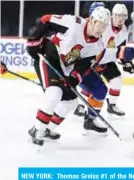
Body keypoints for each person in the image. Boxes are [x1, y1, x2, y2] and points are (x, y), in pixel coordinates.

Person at [26, 7, 112, 146]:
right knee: (54, 93)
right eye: (98, 23)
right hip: (51, 55)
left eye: (104, 26)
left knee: (71, 102)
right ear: (91, 21)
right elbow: (46, 19)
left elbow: (83, 64)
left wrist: (74, 77)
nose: (100, 29)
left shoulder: (98, 45)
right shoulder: (74, 23)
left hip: (66, 67)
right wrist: (34, 40)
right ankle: (38, 130)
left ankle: (48, 129)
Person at [74, 3, 134, 119]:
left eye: (123, 16)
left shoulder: (124, 31)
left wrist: (127, 62)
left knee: (117, 82)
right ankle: (81, 106)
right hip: (94, 59)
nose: (120, 18)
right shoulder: (104, 25)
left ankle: (112, 105)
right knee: (92, 86)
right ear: (112, 15)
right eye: (118, 15)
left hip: (107, 60)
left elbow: (121, 49)